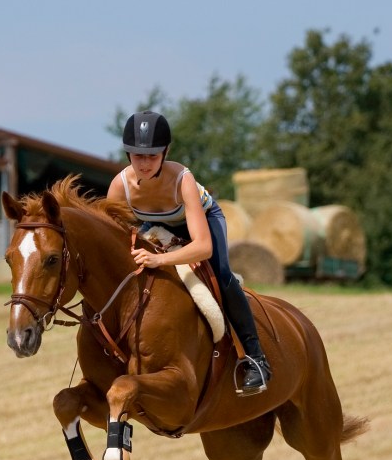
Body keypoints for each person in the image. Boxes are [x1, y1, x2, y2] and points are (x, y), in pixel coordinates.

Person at [108, 110, 271, 396]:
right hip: (155, 228)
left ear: (166, 152)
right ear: (127, 155)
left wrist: (160, 259)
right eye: (137, 156)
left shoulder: (182, 178)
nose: (144, 164)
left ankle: (256, 360)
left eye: (153, 156)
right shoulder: (119, 187)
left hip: (202, 223)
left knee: (220, 275)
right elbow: (113, 239)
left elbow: (202, 246)